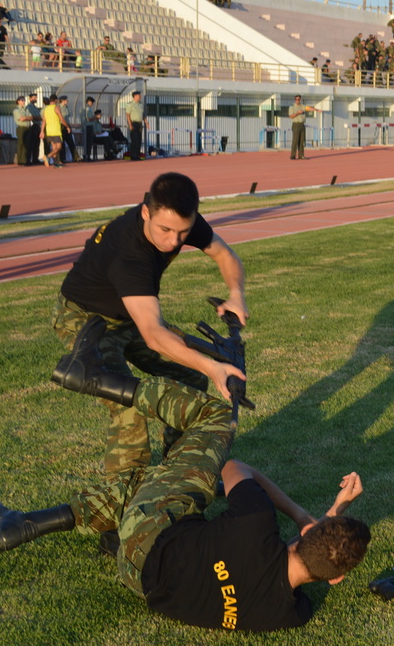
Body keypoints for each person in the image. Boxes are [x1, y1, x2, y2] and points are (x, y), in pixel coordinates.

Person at [0, 333, 370, 631]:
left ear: (304, 536)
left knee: (216, 419)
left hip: (152, 529)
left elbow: (234, 467)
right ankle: (27, 523)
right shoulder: (292, 613)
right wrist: (330, 516)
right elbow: (285, 567)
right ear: (334, 580)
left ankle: (96, 377)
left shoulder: (257, 525)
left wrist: (303, 513)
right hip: (137, 577)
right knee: (143, 480)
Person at [50, 172, 248, 559]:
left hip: (127, 317)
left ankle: (176, 475)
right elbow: (155, 334)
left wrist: (236, 294)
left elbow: (226, 255)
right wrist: (214, 367)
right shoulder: (131, 254)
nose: (173, 241)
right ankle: (115, 522)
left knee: (187, 377)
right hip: (87, 320)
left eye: (182, 231)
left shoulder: (181, 221)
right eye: (165, 230)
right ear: (146, 212)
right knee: (128, 410)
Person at [40, 93, 68, 168]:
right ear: (56, 100)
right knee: (59, 147)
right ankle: (47, 156)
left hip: (49, 131)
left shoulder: (46, 109)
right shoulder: (56, 108)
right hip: (55, 131)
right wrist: (67, 126)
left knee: (54, 148)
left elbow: (44, 121)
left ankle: (56, 163)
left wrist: (42, 131)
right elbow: (62, 119)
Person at [287, 95, 314, 160]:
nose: (297, 100)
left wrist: (316, 109)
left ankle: (301, 155)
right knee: (295, 140)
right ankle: (293, 155)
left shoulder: (302, 106)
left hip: (302, 124)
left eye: (299, 99)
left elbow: (308, 108)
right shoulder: (292, 107)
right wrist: (298, 113)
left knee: (302, 141)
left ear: (300, 100)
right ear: (294, 100)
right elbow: (291, 116)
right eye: (296, 99)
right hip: (296, 124)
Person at [125, 90, 148, 160]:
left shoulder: (140, 105)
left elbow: (143, 115)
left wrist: (146, 122)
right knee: (135, 140)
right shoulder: (130, 104)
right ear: (134, 97)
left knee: (139, 140)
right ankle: (133, 155)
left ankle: (137, 155)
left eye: (140, 95)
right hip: (133, 123)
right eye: (138, 96)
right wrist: (130, 125)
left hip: (139, 123)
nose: (140, 97)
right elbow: (127, 115)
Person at [58, 94, 79, 163]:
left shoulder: (66, 107)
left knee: (71, 141)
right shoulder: (59, 108)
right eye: (66, 100)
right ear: (62, 101)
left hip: (67, 125)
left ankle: (76, 157)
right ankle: (62, 158)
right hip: (62, 126)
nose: (67, 101)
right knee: (62, 143)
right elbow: (61, 118)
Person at [24, 92, 41, 165]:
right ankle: (28, 160)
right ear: (30, 98)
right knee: (31, 143)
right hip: (32, 125)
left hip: (37, 125)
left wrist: (38, 118)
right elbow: (32, 116)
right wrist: (38, 118)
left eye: (36, 97)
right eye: (33, 97)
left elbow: (39, 116)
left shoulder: (35, 107)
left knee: (37, 143)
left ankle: (35, 159)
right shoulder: (29, 107)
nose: (35, 99)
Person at [12, 95, 29, 165]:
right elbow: (21, 118)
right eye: (22, 100)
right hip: (21, 128)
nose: (24, 101)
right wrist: (28, 117)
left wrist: (27, 117)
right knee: (21, 144)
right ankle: (20, 160)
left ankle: (24, 160)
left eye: (24, 100)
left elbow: (31, 117)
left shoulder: (26, 109)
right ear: (18, 101)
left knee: (26, 144)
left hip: (27, 127)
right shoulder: (16, 110)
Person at [82, 96, 96, 161]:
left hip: (86, 126)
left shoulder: (85, 108)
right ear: (89, 102)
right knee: (89, 142)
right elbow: (89, 119)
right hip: (88, 126)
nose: (92, 104)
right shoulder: (88, 109)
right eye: (91, 102)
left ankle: (86, 155)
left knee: (87, 142)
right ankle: (87, 156)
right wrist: (96, 117)